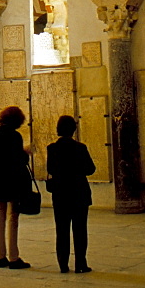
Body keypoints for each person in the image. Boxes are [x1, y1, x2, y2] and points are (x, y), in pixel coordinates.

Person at [46, 115, 96, 274]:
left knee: (61, 230)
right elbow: (90, 169)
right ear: (73, 130)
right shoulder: (80, 148)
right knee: (80, 229)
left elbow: (51, 170)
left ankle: (63, 264)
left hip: (60, 193)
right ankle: (81, 263)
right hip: (79, 192)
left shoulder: (52, 148)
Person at [0, 105, 32, 270]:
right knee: (13, 217)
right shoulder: (15, 136)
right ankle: (14, 257)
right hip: (12, 181)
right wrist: (25, 152)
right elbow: (17, 161)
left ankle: (1, 256)